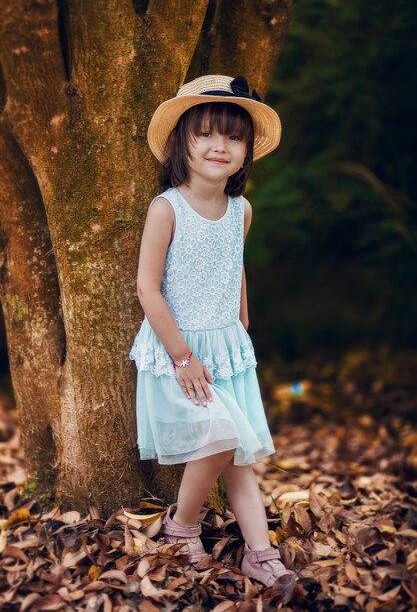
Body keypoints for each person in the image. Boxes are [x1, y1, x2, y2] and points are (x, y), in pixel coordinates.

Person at [129, 75, 298, 602]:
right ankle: (182, 527)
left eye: (233, 138)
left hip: (226, 351)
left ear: (247, 152)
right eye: (205, 134)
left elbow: (234, 267)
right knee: (221, 438)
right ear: (183, 143)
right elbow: (147, 287)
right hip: (178, 353)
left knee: (239, 456)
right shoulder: (168, 208)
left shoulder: (241, 211)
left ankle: (259, 552)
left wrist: (241, 321)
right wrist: (183, 357)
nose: (219, 146)